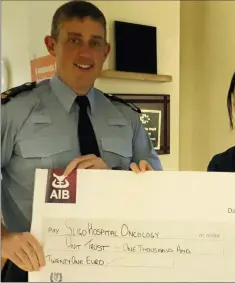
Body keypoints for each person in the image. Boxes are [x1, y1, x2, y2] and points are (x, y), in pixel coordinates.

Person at [1, 1, 162, 281]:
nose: (85, 52)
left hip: (117, 265)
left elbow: (158, 190)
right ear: (52, 45)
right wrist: (3, 239)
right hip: (35, 268)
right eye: (74, 40)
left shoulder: (126, 117)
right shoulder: (14, 111)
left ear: (106, 51)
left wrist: (114, 180)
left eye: (95, 42)